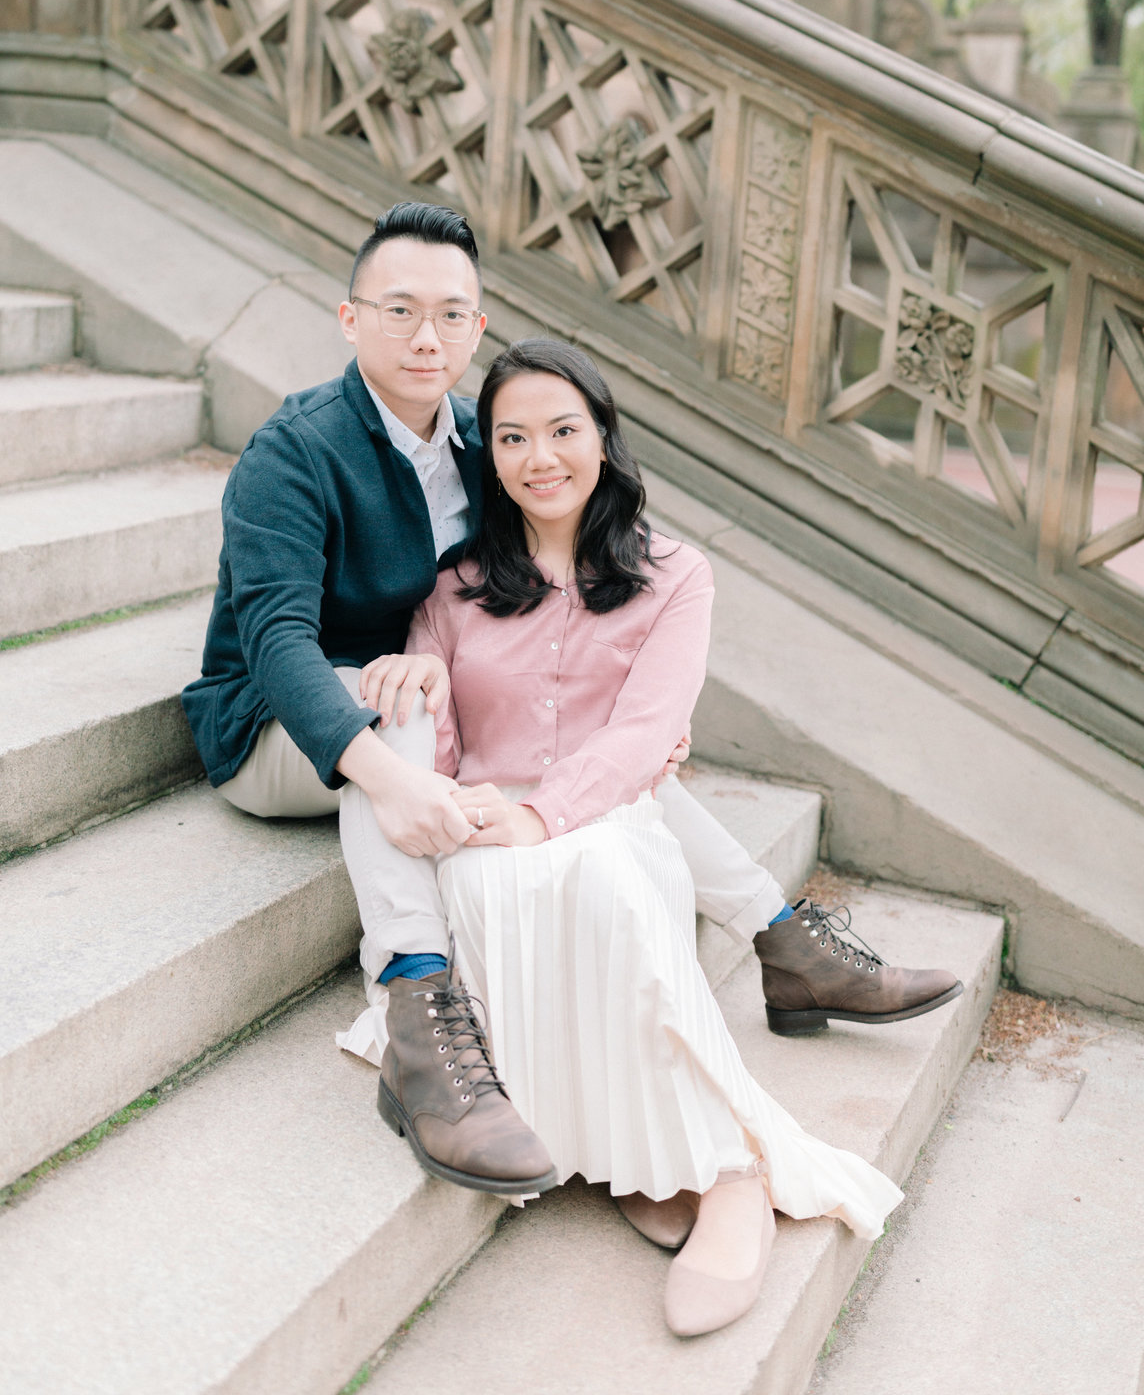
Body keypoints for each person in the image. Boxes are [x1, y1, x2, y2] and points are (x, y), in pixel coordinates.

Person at [181, 200, 960, 1201]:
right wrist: (386, 772)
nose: (429, 338)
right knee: (409, 708)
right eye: (402, 310)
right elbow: (275, 642)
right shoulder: (294, 452)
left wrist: (637, 729)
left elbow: (530, 609)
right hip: (283, 725)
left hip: (427, 692)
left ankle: (784, 941)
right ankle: (419, 1009)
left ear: (478, 321)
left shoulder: (480, 436)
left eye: (453, 315)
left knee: (576, 736)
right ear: (349, 318)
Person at [356, 336, 909, 1336]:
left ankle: (728, 1170)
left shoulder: (674, 575)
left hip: (605, 809)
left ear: (603, 439)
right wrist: (456, 786)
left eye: (564, 430)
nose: (540, 457)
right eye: (513, 437)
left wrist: (541, 812)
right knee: (492, 890)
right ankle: (624, 1148)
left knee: (607, 876)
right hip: (486, 821)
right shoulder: (457, 585)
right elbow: (434, 736)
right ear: (492, 458)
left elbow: (648, 735)